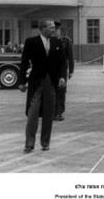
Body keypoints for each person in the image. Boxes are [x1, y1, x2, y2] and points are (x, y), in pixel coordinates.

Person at [19, 19, 67, 153]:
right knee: (32, 114)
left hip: (51, 82)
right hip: (36, 82)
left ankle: (45, 143)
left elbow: (63, 62)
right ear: (43, 29)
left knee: (49, 114)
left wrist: (62, 77)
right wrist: (22, 82)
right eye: (51, 27)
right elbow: (24, 62)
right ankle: (29, 144)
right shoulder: (31, 42)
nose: (54, 30)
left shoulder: (58, 42)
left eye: (54, 28)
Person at [54, 21, 74, 121]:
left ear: (60, 30)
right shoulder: (49, 40)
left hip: (62, 69)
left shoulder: (66, 41)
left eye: (57, 30)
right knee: (52, 90)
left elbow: (70, 56)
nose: (55, 32)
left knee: (61, 91)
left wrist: (71, 70)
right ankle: (53, 112)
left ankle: (59, 112)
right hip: (51, 69)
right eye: (54, 29)